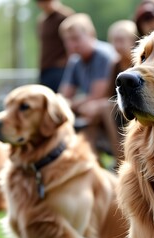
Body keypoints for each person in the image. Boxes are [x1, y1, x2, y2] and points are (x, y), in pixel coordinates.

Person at [74, 20, 138, 169]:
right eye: (114, 41)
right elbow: (108, 94)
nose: (117, 45)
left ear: (132, 41)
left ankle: (122, 161)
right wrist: (91, 106)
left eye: (121, 40)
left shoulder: (138, 64)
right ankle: (91, 163)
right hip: (119, 109)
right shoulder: (115, 64)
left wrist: (99, 105)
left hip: (134, 107)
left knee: (104, 109)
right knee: (92, 116)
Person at [58, 13, 117, 166]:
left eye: (76, 38)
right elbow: (62, 97)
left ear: (90, 34)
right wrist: (66, 105)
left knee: (91, 110)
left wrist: (70, 104)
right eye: (67, 41)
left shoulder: (103, 55)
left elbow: (98, 96)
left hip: (115, 107)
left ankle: (111, 162)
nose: (72, 45)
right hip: (93, 106)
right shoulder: (75, 61)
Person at [35, 0, 74, 92]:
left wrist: (67, 60)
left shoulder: (65, 16)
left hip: (60, 69)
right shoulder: (42, 20)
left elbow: (73, 40)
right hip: (45, 68)